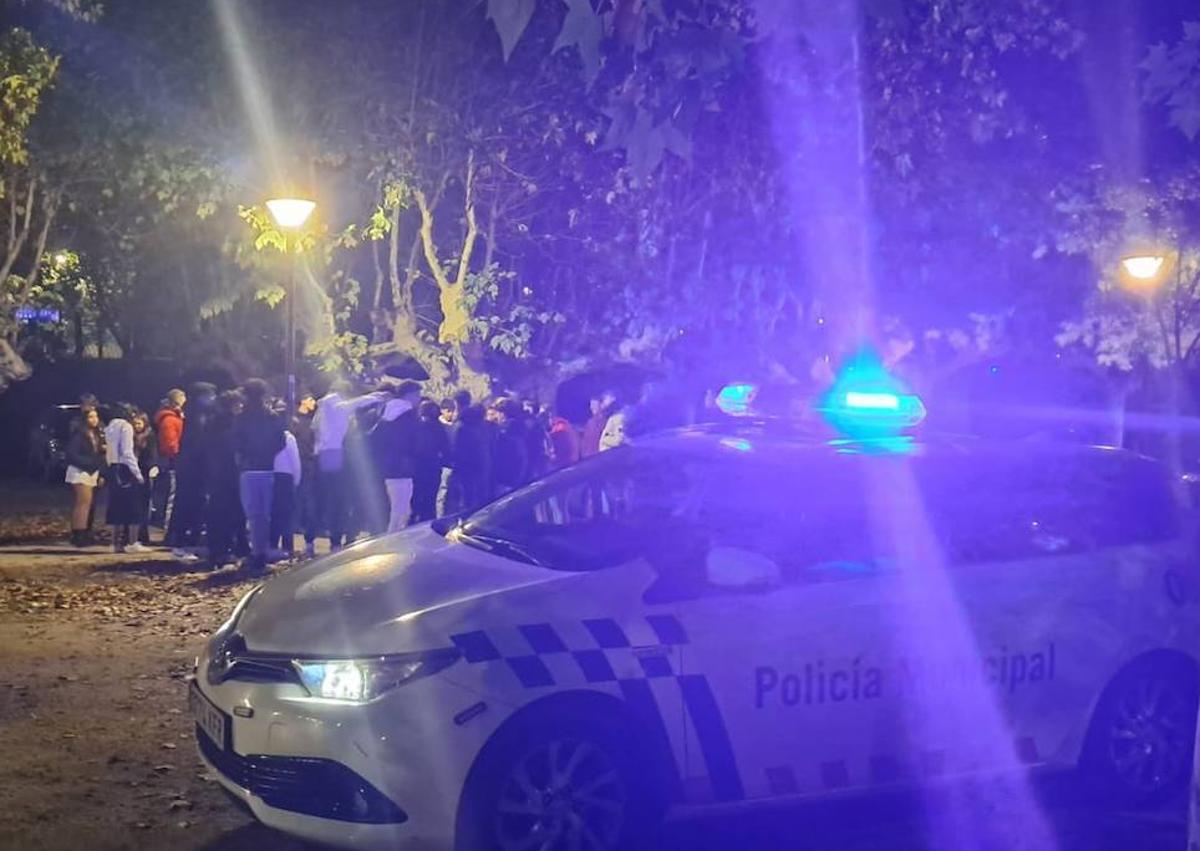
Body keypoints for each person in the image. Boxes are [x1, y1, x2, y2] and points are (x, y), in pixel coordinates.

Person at [313, 379, 388, 551]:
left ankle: (334, 537)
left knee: (331, 498)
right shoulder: (333, 402)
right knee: (340, 497)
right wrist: (375, 396)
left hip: (324, 455)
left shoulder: (322, 409)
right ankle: (338, 537)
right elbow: (348, 406)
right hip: (335, 453)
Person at [234, 379, 285, 573]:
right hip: (268, 468)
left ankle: (257, 552)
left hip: (249, 469)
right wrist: (269, 453)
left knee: (253, 513)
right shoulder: (272, 417)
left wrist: (243, 456)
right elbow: (281, 441)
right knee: (264, 514)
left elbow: (236, 442)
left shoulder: (242, 417)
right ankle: (263, 550)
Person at [168, 382, 217, 561]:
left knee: (193, 505)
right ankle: (183, 542)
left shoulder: (196, 415)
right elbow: (199, 444)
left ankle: (188, 541)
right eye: (210, 395)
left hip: (192, 467)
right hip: (193, 468)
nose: (213, 399)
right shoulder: (197, 417)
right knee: (189, 504)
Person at [369, 380, 422, 532]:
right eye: (417, 394)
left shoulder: (385, 413)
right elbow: (413, 443)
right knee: (402, 511)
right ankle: (392, 542)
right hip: (403, 467)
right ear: (409, 395)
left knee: (394, 508)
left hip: (387, 466)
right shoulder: (408, 415)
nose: (419, 398)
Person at [204, 391, 246, 568]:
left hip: (216, 474)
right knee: (234, 512)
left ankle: (217, 550)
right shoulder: (231, 424)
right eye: (239, 404)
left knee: (217, 513)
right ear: (232, 405)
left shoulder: (211, 422)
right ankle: (230, 549)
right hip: (230, 474)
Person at [104, 403, 147, 554]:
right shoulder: (126, 427)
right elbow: (127, 452)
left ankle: (115, 543)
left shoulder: (110, 426)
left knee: (116, 507)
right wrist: (137, 473)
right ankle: (132, 542)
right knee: (133, 506)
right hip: (125, 469)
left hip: (113, 467)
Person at [64, 406, 105, 548]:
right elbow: (72, 454)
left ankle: (87, 531)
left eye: (95, 416)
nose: (94, 420)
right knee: (83, 503)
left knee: (90, 503)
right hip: (80, 471)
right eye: (90, 417)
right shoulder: (79, 434)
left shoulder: (97, 434)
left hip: (92, 471)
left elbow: (99, 453)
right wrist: (89, 463)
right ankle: (78, 533)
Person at [446, 391, 493, 514]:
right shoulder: (482, 424)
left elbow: (455, 449)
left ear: (456, 404)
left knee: (463, 507)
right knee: (479, 507)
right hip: (482, 468)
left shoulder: (461, 425)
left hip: (464, 470)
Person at [269, 401, 302, 559]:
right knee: (287, 513)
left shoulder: (269, 436)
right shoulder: (288, 437)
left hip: (272, 477)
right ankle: (288, 546)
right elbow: (295, 461)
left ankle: (272, 544)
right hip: (287, 478)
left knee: (274, 512)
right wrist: (297, 480)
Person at [411, 399, 450, 524]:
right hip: (433, 466)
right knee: (430, 497)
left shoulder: (416, 425)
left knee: (416, 496)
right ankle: (427, 522)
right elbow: (445, 448)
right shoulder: (438, 427)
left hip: (417, 466)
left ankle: (413, 519)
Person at [291, 393, 319, 557]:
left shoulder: (300, 424)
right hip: (307, 466)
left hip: (303, 465)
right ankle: (308, 538)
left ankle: (302, 534)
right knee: (307, 501)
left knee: (302, 501)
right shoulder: (311, 425)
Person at [153, 388, 186, 528]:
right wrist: (177, 456)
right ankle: (167, 525)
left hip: (170, 460)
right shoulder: (170, 420)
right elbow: (170, 443)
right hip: (171, 461)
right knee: (171, 495)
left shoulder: (172, 417)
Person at [131, 410, 160, 547]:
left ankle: (143, 533)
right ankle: (132, 534)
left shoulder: (150, 436)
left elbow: (153, 453)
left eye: (139, 423)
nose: (136, 426)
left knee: (145, 503)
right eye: (134, 423)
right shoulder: (129, 436)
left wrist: (153, 466)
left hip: (145, 471)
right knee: (134, 503)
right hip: (133, 472)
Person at [493, 397, 530, 496]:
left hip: (507, 482)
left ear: (503, 414)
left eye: (497, 413)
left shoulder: (509, 433)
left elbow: (515, 456)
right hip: (515, 481)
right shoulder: (519, 428)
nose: (496, 417)